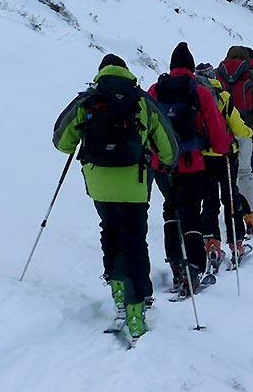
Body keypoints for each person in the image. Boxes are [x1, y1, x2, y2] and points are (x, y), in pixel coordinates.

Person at [53, 54, 178, 338]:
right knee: (135, 239)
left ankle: (118, 293)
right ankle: (138, 303)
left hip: (100, 184)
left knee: (110, 231)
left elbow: (61, 142)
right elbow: (169, 150)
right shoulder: (142, 100)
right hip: (134, 183)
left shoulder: (87, 101)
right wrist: (166, 162)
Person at [149, 42, 230, 297]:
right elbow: (216, 127)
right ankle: (194, 267)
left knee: (170, 210)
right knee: (191, 213)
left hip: (162, 165)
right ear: (191, 67)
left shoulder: (156, 90)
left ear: (172, 66)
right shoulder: (198, 90)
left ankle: (175, 263)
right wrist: (222, 148)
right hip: (191, 162)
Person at [194, 62, 253, 269]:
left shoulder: (194, 96)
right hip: (226, 155)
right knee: (230, 197)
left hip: (202, 156)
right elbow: (237, 126)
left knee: (209, 199)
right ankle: (236, 243)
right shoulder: (222, 96)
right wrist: (249, 132)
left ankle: (211, 242)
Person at [217, 45, 253, 215]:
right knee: (245, 171)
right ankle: (252, 213)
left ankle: (233, 210)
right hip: (247, 128)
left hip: (224, 132)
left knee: (228, 175)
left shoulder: (217, 77)